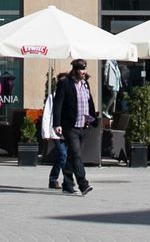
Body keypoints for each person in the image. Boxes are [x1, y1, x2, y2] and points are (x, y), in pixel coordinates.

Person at [52, 59, 94, 196]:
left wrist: (93, 119)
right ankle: (83, 184)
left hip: (83, 125)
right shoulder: (65, 83)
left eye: (85, 69)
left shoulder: (85, 84)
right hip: (70, 126)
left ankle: (67, 184)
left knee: (72, 156)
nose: (84, 72)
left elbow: (89, 102)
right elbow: (58, 104)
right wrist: (57, 124)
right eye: (82, 70)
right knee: (76, 155)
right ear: (75, 70)